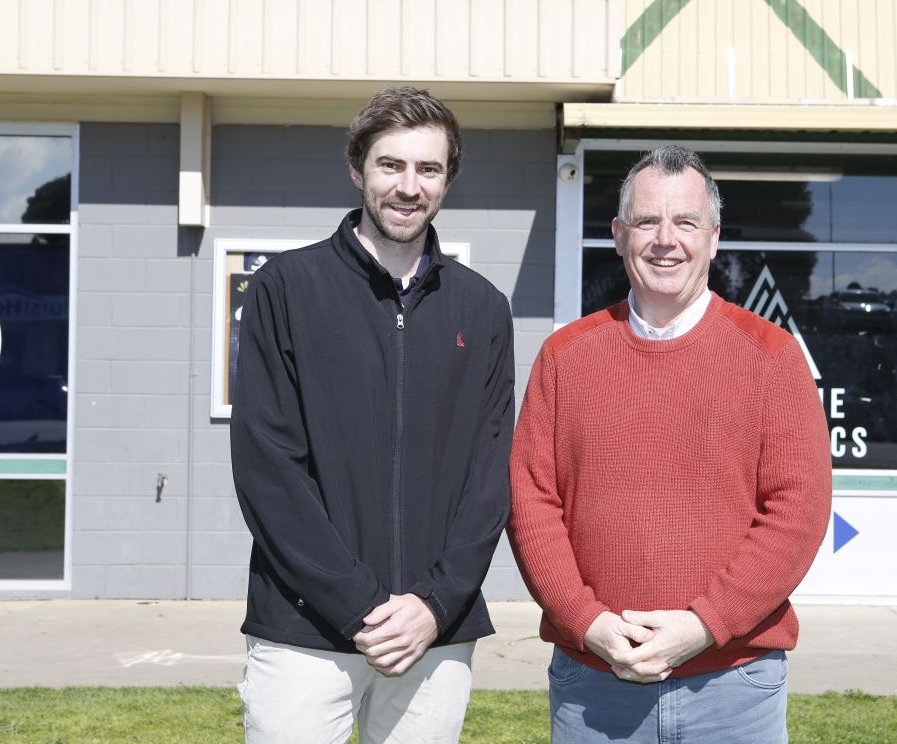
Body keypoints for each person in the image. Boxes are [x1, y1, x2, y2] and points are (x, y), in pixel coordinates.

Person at [507, 145, 832, 743]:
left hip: (733, 685)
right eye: (647, 221)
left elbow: (797, 514)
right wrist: (588, 623)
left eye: (685, 222)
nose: (665, 239)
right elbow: (531, 504)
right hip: (593, 682)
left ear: (713, 238)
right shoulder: (564, 358)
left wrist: (706, 624)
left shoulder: (772, 358)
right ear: (618, 234)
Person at [230, 86, 515, 744]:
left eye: (428, 169)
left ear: (448, 180)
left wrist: (433, 604)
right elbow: (267, 468)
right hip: (304, 630)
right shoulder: (286, 288)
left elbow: (489, 476)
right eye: (391, 165)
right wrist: (359, 602)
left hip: (434, 632)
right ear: (357, 169)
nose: (408, 187)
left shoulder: (482, 308)